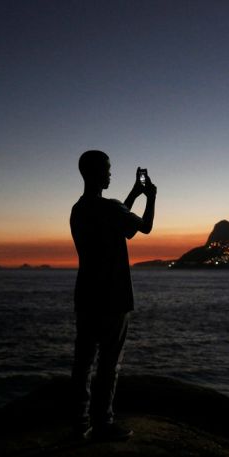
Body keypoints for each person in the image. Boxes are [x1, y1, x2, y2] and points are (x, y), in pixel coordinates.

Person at [69, 150, 156, 441]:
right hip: (114, 297)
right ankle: (103, 423)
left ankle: (79, 425)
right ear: (94, 173)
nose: (109, 175)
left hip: (86, 296)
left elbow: (119, 217)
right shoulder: (108, 209)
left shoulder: (79, 210)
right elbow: (143, 227)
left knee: (82, 364)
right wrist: (151, 196)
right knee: (108, 365)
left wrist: (133, 193)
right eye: (106, 170)